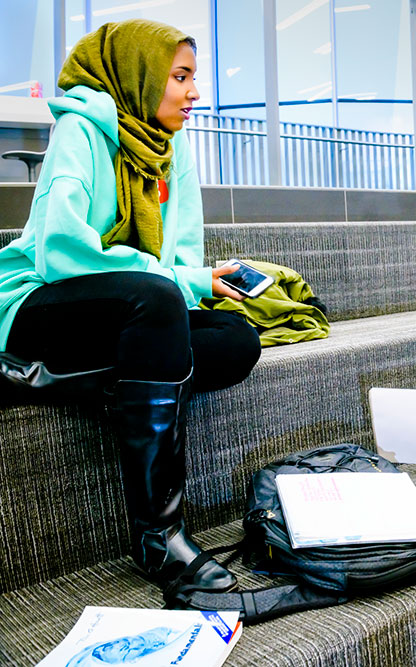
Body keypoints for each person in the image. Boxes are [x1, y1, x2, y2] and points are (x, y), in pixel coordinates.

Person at [0, 20, 260, 592]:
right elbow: (62, 252)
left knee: (236, 340)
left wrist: (198, 281)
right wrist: (174, 281)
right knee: (158, 298)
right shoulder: (82, 130)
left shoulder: (172, 147)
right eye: (181, 77)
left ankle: (47, 381)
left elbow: (181, 254)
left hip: (133, 310)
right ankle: (159, 538)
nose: (195, 93)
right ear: (139, 75)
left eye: (195, 79)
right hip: (38, 302)